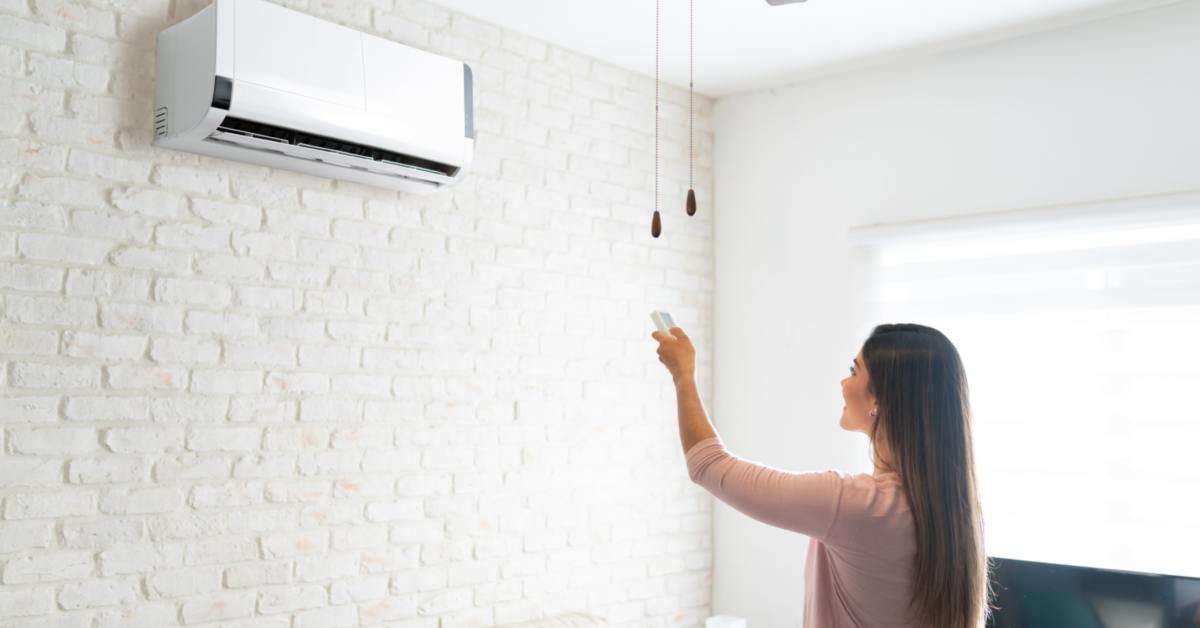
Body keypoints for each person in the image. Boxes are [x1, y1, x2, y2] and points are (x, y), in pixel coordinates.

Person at [651, 323, 995, 628]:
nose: (843, 382)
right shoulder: (958, 511)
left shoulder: (856, 504)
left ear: (881, 401)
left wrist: (683, 375)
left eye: (853, 370)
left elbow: (708, 465)